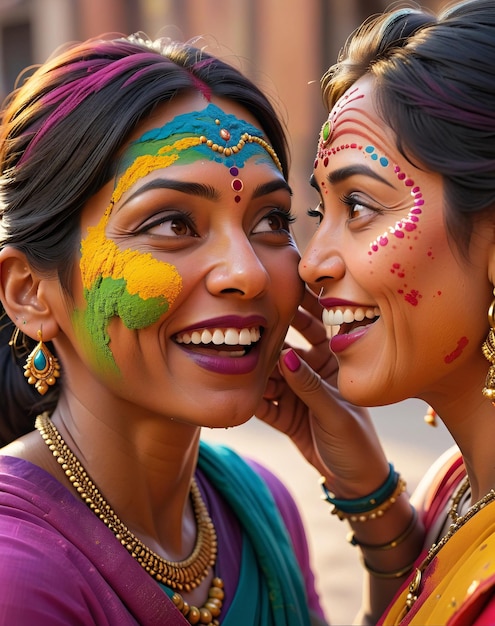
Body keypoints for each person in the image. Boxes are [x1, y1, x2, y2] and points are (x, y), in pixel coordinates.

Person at [0, 33, 328, 625]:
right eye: (173, 222)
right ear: (30, 292)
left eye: (271, 219)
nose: (248, 273)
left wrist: (368, 496)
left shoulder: (261, 506)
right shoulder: (17, 576)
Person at [256, 0, 495, 624]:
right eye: (316, 215)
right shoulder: (452, 488)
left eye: (359, 206)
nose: (311, 264)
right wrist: (373, 499)